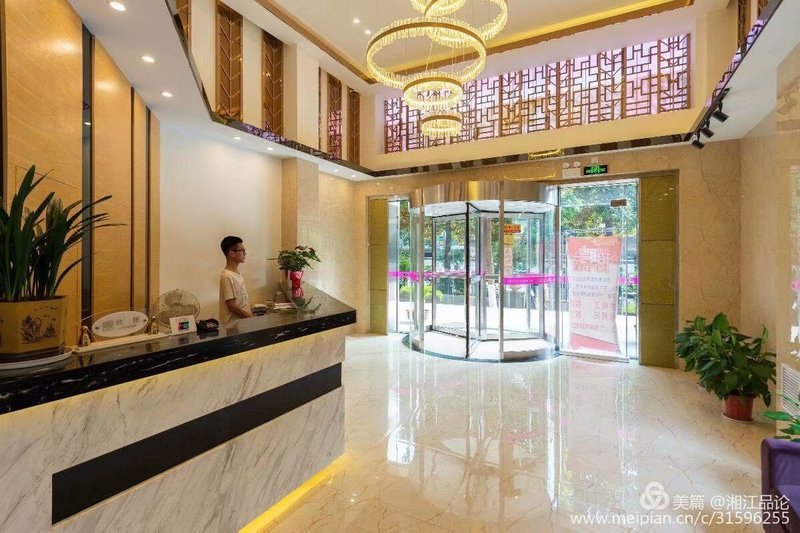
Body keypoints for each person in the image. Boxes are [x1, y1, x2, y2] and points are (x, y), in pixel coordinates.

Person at [219, 236, 252, 326]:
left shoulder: (237, 273)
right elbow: (232, 306)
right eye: (242, 251)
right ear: (232, 253)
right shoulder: (227, 276)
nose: (245, 254)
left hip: (242, 324)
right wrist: (251, 318)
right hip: (232, 327)